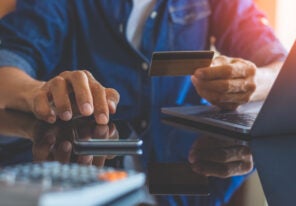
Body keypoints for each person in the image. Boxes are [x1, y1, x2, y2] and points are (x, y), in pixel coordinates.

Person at [0, 0, 287, 125]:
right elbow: (8, 63)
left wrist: (254, 82)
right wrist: (39, 93)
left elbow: (280, 66)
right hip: (85, 170)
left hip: (191, 160)